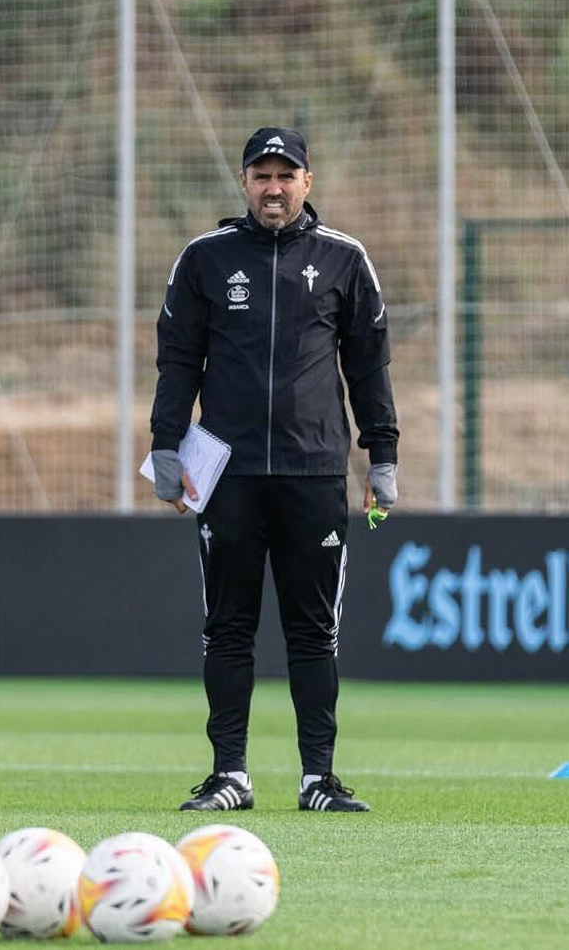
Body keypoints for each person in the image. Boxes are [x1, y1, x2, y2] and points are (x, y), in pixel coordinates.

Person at [148, 125, 399, 813]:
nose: (274, 187)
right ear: (244, 182)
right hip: (225, 477)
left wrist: (383, 456)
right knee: (227, 627)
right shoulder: (204, 259)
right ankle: (230, 774)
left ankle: (318, 777)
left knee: (314, 631)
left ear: (307, 183)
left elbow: (368, 365)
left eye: (286, 175)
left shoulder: (345, 260)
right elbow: (177, 362)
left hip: (315, 472)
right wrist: (166, 445)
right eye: (262, 174)